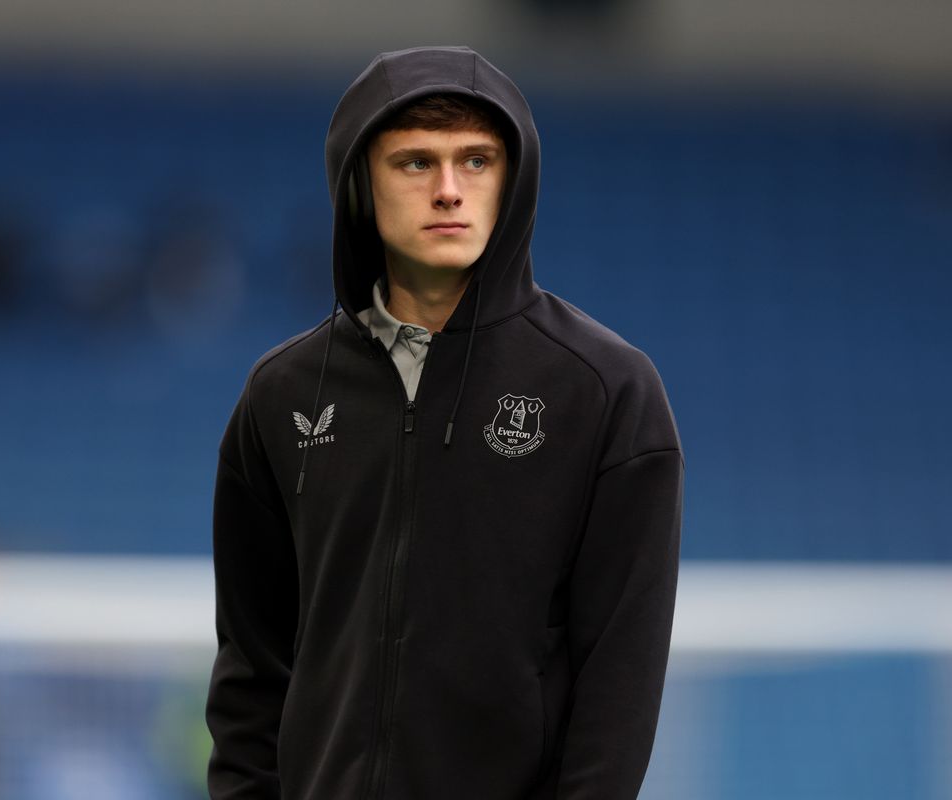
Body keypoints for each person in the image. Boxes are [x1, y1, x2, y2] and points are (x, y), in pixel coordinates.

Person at [206, 45, 684, 799]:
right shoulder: (282, 394)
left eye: (477, 161)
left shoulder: (605, 391)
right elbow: (252, 665)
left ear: (512, 180)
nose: (450, 191)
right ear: (362, 183)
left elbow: (618, 680)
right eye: (416, 163)